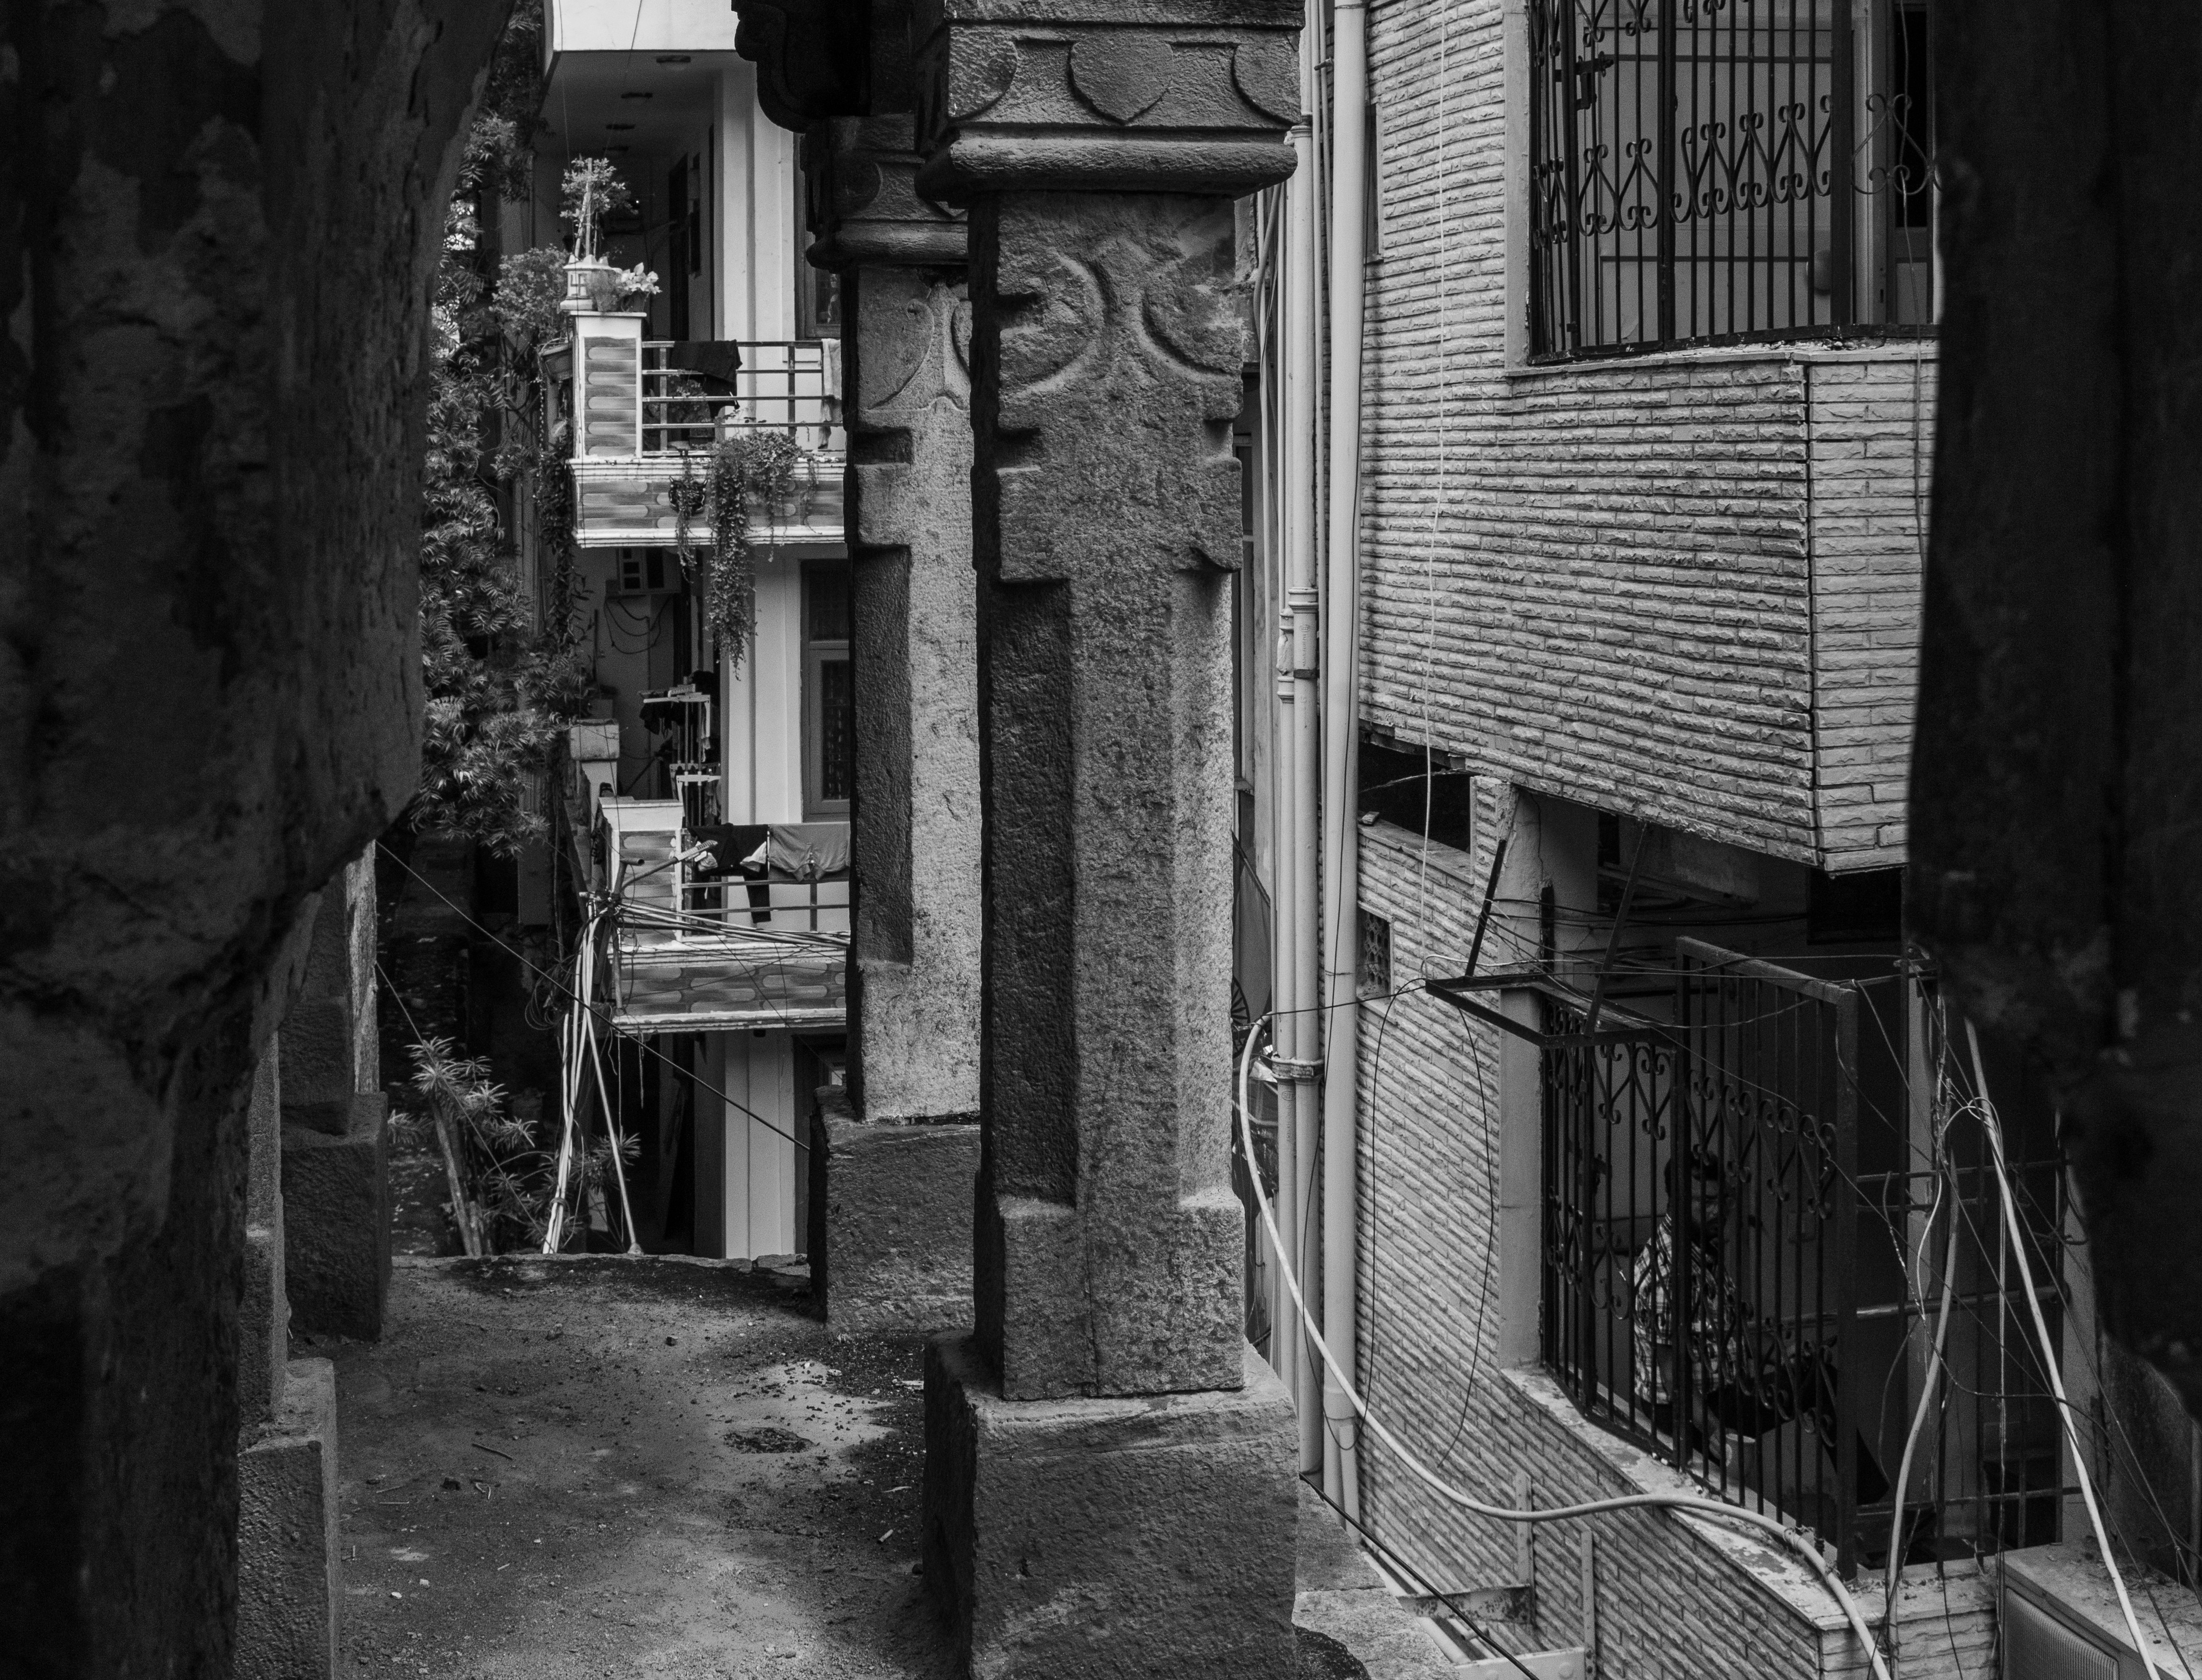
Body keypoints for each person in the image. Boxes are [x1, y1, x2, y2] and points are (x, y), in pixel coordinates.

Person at [1629, 1147, 1892, 1514]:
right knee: (1818, 1381)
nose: (1719, 1211)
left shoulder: (1697, 1250)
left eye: (1722, 1200)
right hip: (1687, 1410)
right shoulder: (1669, 1270)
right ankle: (1872, 1512)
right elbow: (1675, 1380)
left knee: (1815, 1376)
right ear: (1678, 1202)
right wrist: (1718, 1433)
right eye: (1707, 1202)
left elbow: (1722, 1333)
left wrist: (1780, 1356)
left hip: (1716, 1393)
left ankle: (1871, 1509)